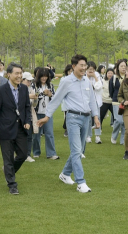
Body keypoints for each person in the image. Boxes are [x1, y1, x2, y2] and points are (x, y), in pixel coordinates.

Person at [38, 54, 100, 193]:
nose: (84, 68)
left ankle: (65, 174)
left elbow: (92, 101)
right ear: (73, 66)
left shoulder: (87, 81)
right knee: (76, 151)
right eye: (81, 65)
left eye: (85, 66)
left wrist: (96, 117)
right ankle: (81, 182)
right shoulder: (66, 81)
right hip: (72, 118)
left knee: (80, 150)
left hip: (86, 118)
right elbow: (56, 99)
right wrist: (47, 116)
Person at [0, 63, 33, 195]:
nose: (19, 76)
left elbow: (26, 108)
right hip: (5, 129)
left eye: (21, 73)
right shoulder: (1, 91)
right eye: (16, 73)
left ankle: (9, 172)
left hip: (21, 128)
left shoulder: (24, 89)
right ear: (9, 74)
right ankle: (12, 184)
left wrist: (28, 121)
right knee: (7, 158)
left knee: (23, 155)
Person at [31, 67, 58, 160]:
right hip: (37, 112)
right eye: (42, 76)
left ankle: (51, 153)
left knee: (49, 133)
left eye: (46, 76)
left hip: (47, 113)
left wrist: (50, 95)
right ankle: (36, 152)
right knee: (36, 134)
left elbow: (55, 98)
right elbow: (34, 97)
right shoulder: (34, 85)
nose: (44, 78)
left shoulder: (50, 85)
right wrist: (43, 93)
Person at [85, 61, 103, 145]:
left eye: (92, 69)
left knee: (97, 117)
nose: (90, 71)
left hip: (96, 100)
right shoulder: (84, 76)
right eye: (89, 69)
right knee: (88, 118)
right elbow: (86, 87)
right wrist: (88, 77)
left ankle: (97, 136)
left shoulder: (98, 75)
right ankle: (88, 135)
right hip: (87, 101)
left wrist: (94, 76)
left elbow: (98, 87)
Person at [110, 59, 127, 145]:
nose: (123, 68)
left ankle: (123, 139)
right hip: (116, 102)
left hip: (126, 102)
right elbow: (111, 90)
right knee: (119, 120)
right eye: (121, 66)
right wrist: (114, 98)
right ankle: (114, 136)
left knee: (125, 121)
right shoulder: (113, 78)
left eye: (125, 66)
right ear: (117, 67)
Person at [61, 64, 73, 138]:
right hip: (66, 101)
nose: (71, 73)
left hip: (74, 102)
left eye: (72, 71)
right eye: (70, 71)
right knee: (67, 115)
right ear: (67, 72)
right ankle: (66, 129)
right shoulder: (64, 79)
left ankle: (69, 129)